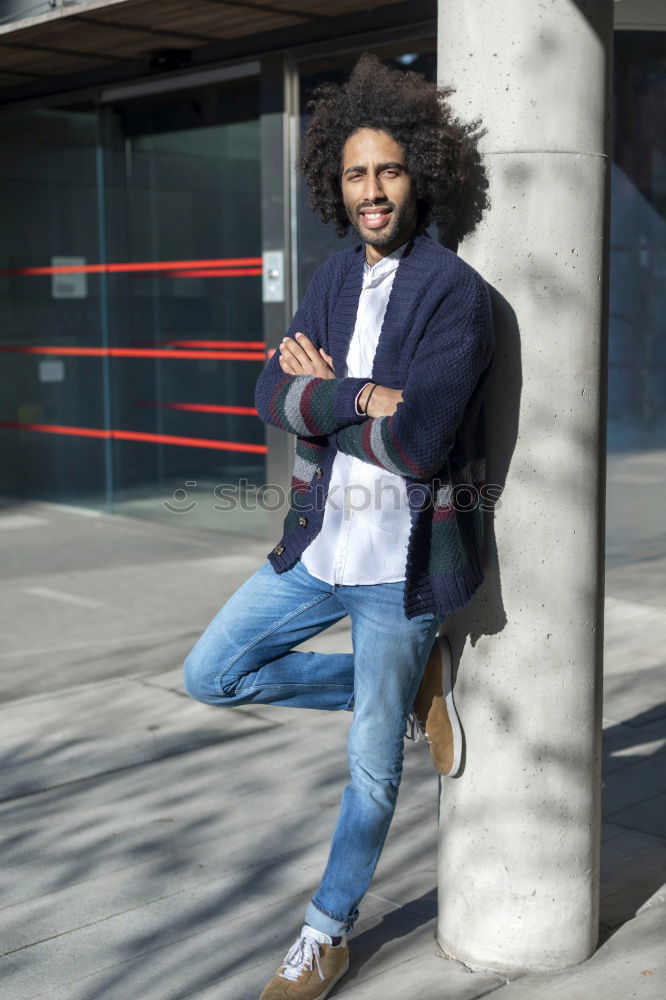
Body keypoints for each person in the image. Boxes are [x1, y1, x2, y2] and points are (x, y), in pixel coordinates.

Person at [183, 52, 494, 1000]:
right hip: (316, 548)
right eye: (356, 172)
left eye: (389, 170)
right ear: (336, 181)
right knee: (212, 675)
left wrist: (322, 396)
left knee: (369, 777)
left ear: (418, 177)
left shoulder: (456, 294)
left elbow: (422, 441)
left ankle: (326, 934)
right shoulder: (326, 281)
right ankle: (400, 696)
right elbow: (269, 395)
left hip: (399, 568)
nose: (372, 188)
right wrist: (357, 392)